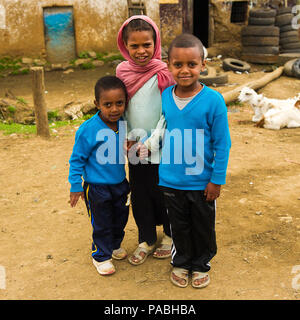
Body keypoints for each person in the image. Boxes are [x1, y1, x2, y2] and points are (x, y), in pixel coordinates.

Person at [158, 33, 231, 288]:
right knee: (178, 226)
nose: (185, 70)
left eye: (192, 64)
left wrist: (216, 180)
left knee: (202, 226)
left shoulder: (214, 101)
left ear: (203, 65)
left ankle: (200, 264)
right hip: (171, 179)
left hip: (202, 182)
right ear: (169, 66)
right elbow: (160, 132)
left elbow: (223, 143)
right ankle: (181, 262)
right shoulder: (166, 97)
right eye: (178, 64)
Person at [116, 15, 176, 265]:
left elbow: (168, 113)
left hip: (163, 145)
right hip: (134, 147)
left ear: (156, 43)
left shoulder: (164, 71)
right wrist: (127, 137)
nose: (141, 51)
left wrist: (151, 142)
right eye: (134, 46)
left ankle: (170, 237)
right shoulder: (121, 71)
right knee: (140, 193)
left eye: (147, 45)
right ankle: (147, 238)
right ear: (125, 46)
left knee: (166, 192)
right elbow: (120, 107)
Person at [68, 75, 130, 276]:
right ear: (97, 104)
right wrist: (75, 185)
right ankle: (101, 256)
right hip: (96, 187)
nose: (114, 109)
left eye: (119, 103)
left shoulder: (123, 124)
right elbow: (77, 159)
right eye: (108, 104)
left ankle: (113, 245)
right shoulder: (88, 129)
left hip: (120, 183)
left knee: (120, 217)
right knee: (102, 222)